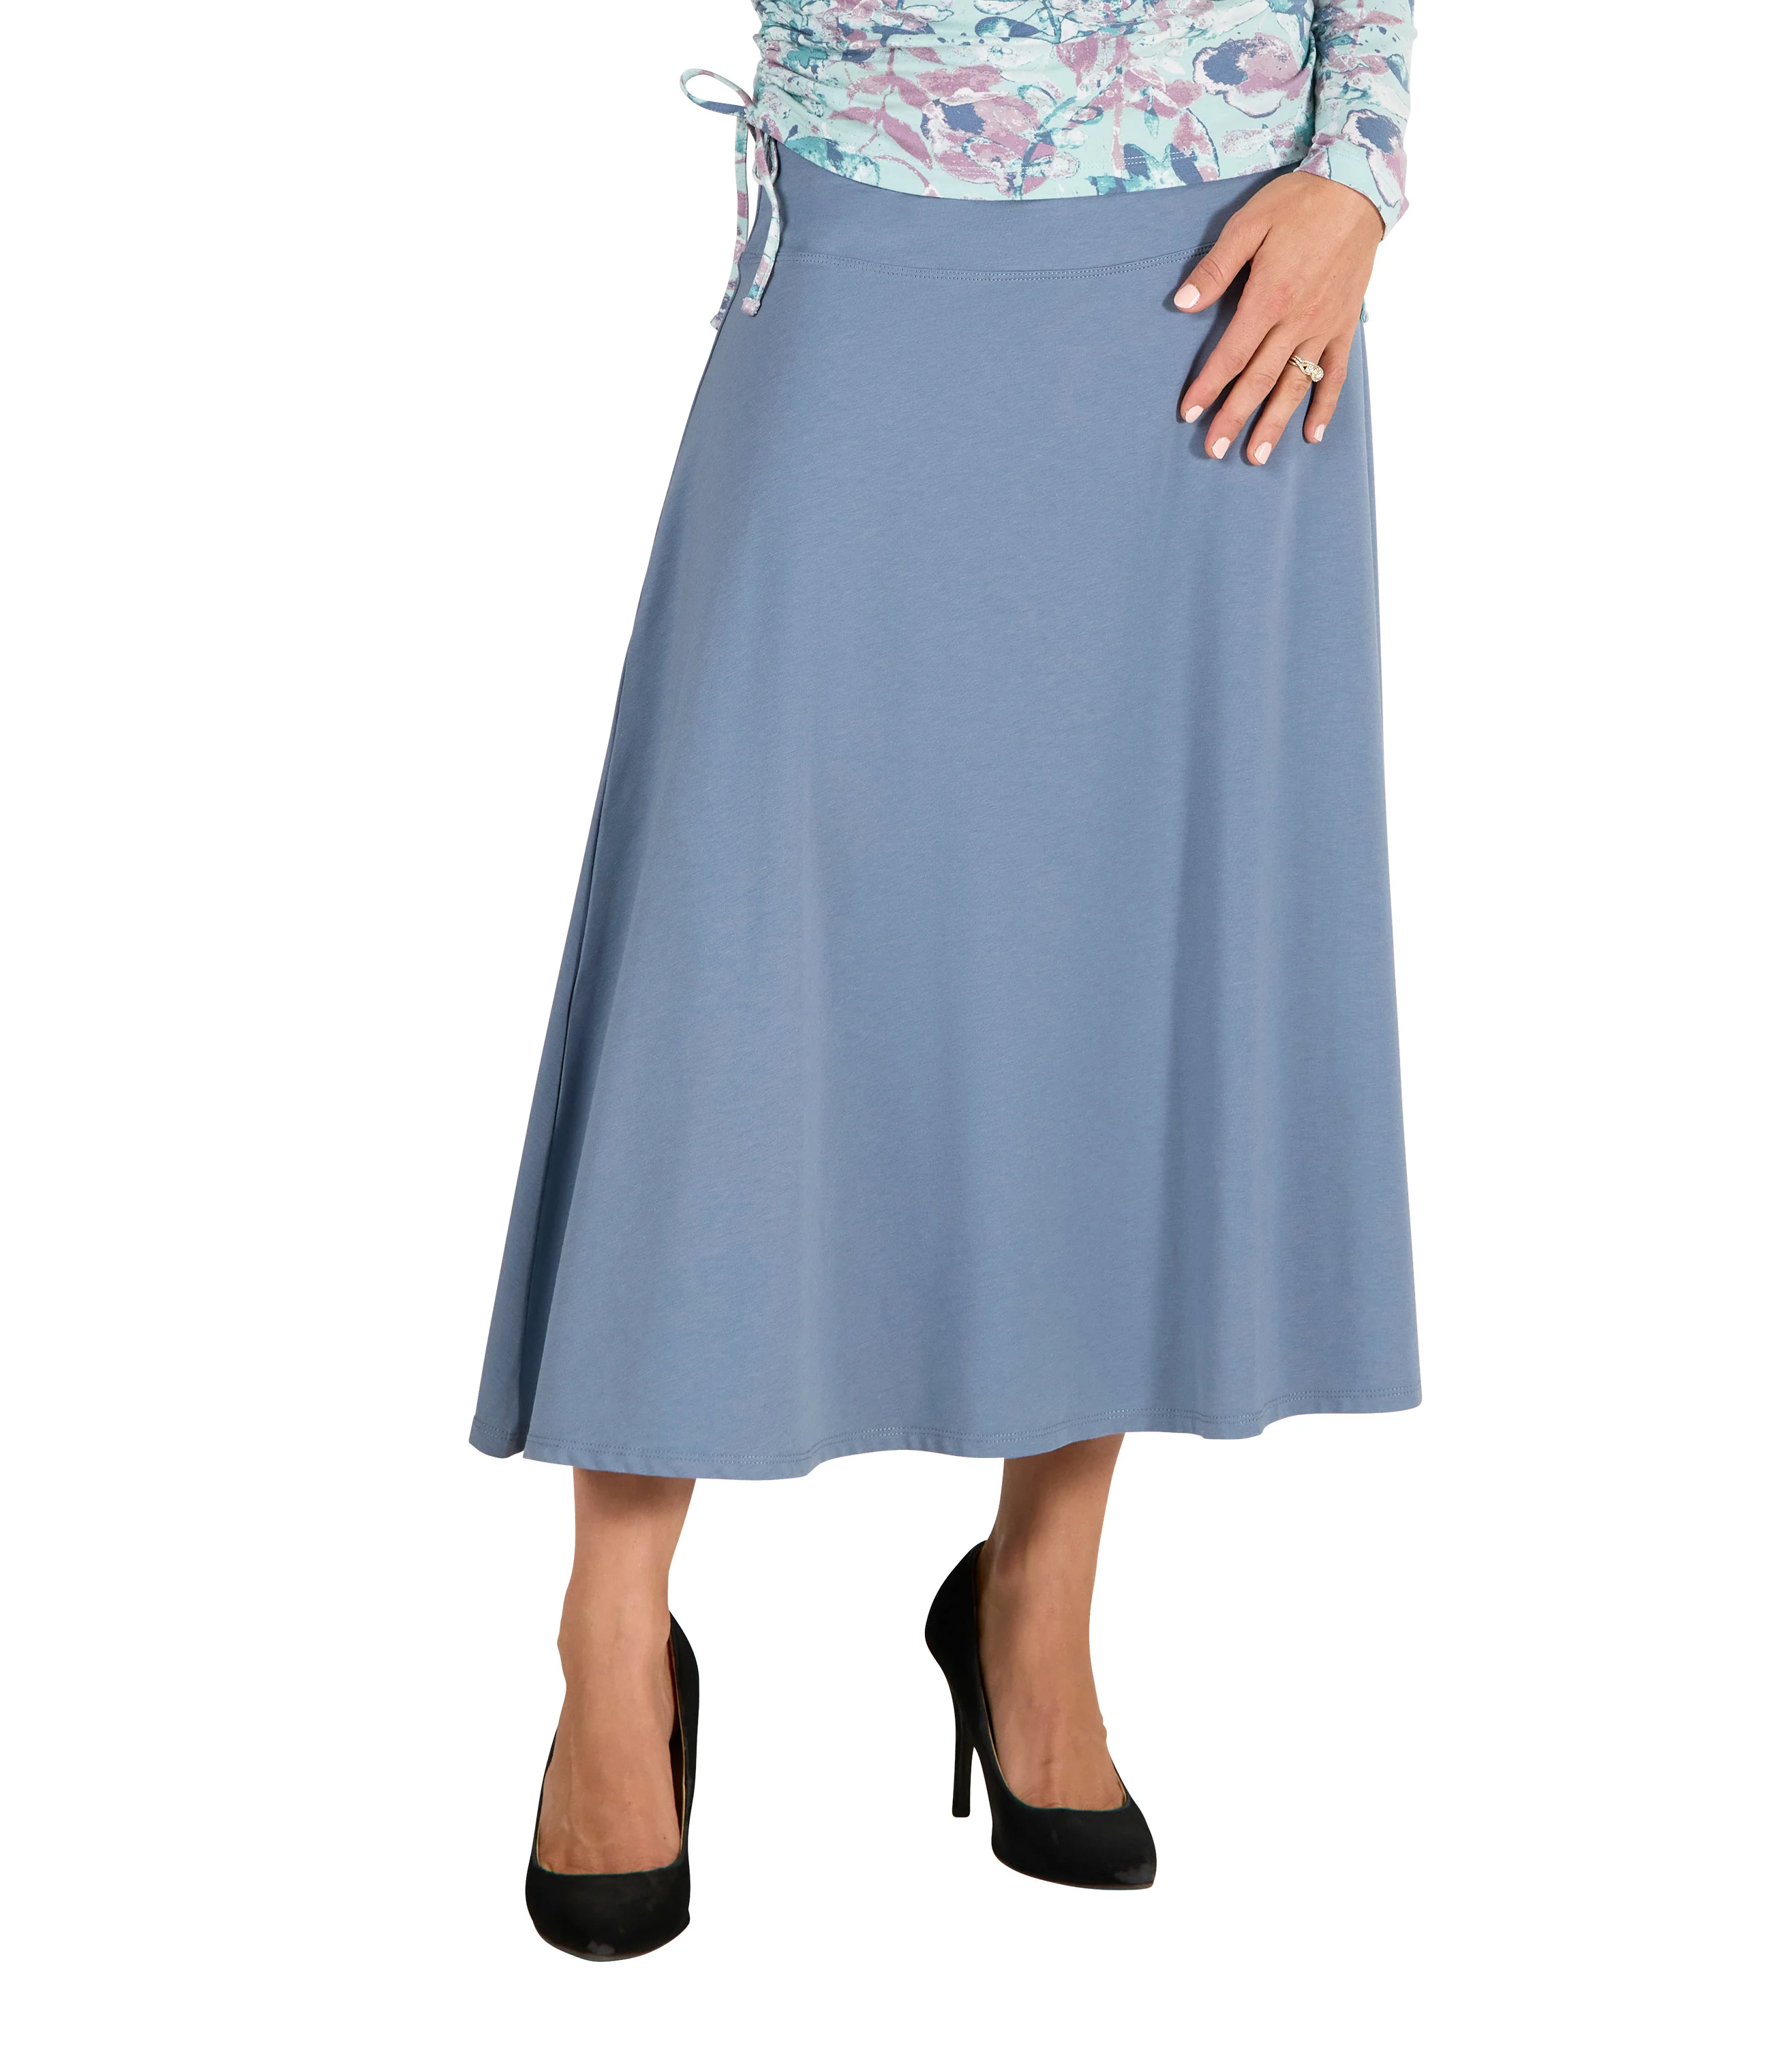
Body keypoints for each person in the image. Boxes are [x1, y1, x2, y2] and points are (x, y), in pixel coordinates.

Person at [474, 0, 1421, 1959]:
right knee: (729, 943)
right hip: (869, 206)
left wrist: (1362, 165)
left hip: (1230, 258)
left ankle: (1037, 1613)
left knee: (1121, 930)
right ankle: (610, 1638)